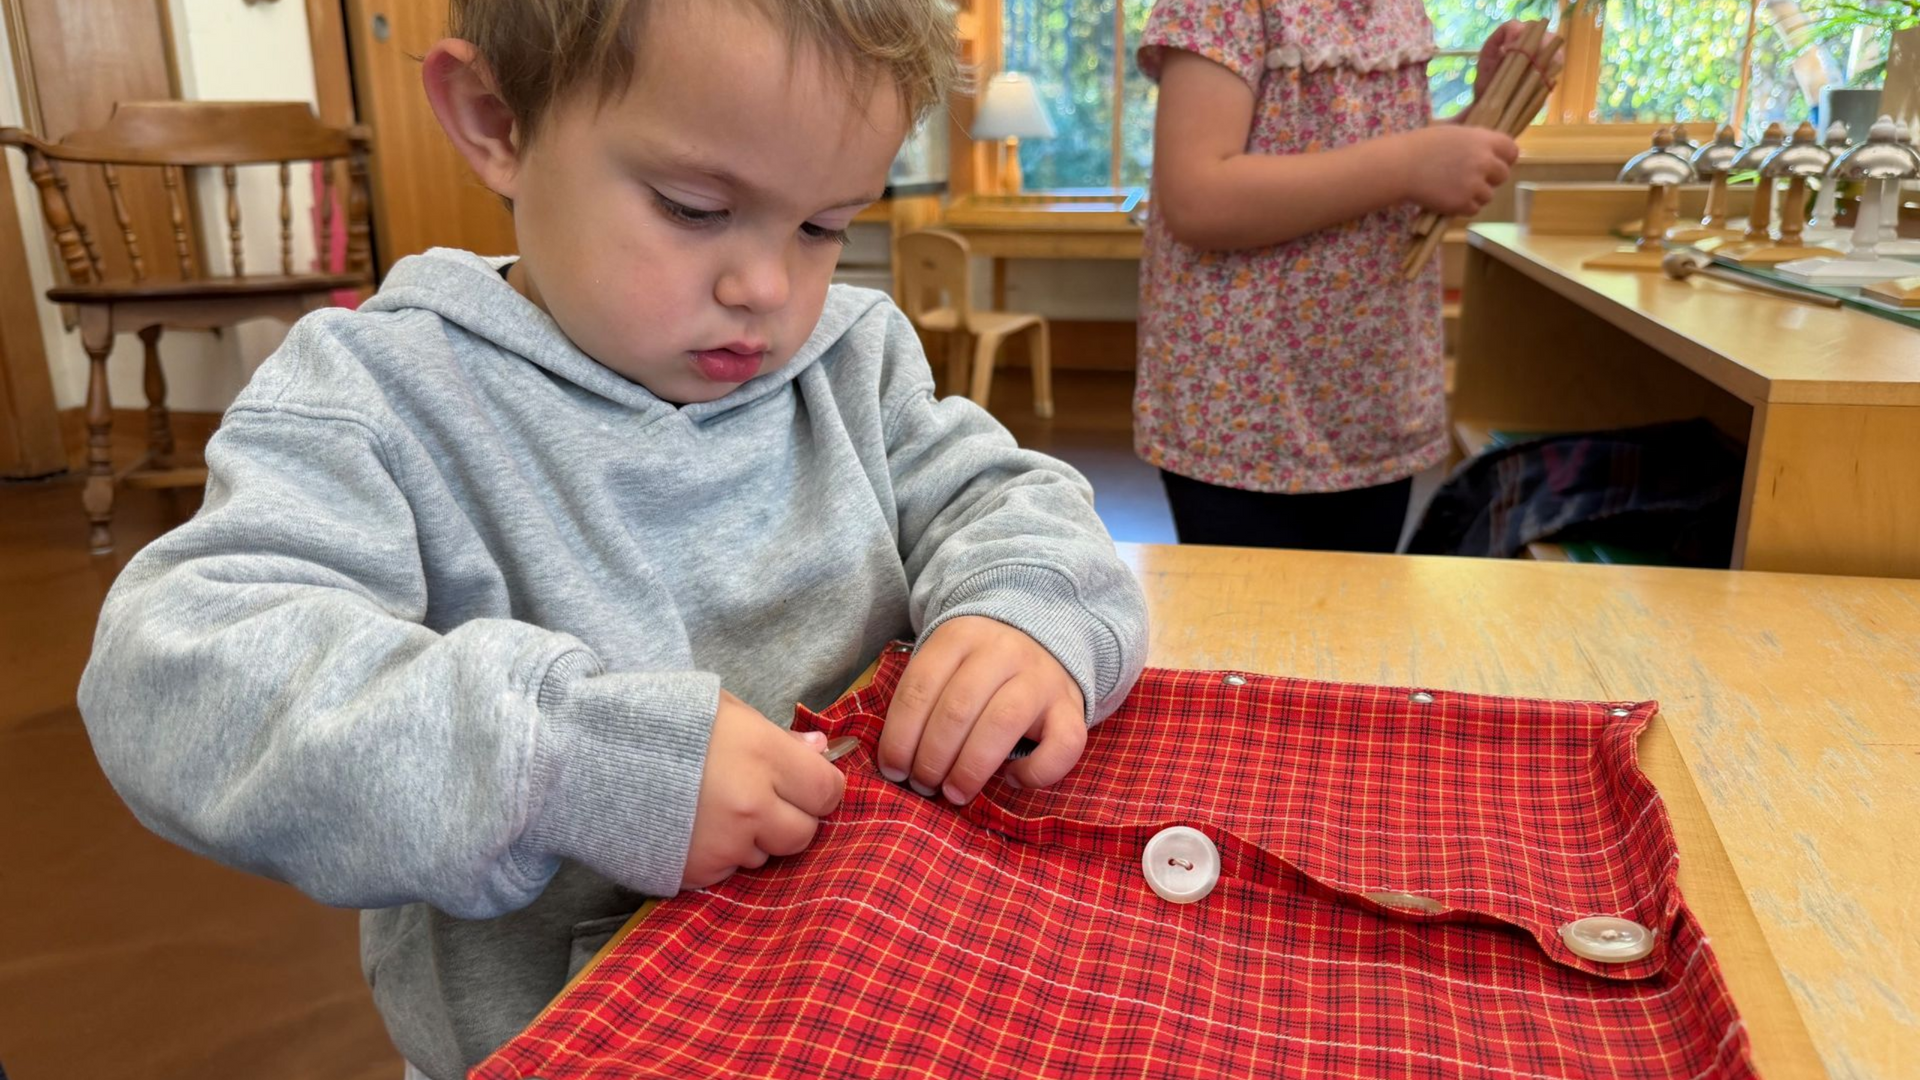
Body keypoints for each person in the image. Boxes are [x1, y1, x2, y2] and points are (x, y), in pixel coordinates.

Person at [76, 2, 1148, 1075]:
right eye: (693, 208)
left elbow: (1015, 502)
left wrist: (1024, 610)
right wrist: (563, 764)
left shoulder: (852, 358)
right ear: (497, 120)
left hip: (880, 998)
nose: (768, 288)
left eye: (826, 225)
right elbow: (166, 681)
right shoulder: (379, 397)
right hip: (558, 1041)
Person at [1136, 0, 1526, 552]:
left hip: (1370, 394)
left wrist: (1472, 125)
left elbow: (1352, 156)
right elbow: (1197, 198)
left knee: (1352, 623)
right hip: (1245, 412)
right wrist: (1410, 164)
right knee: (1253, 625)